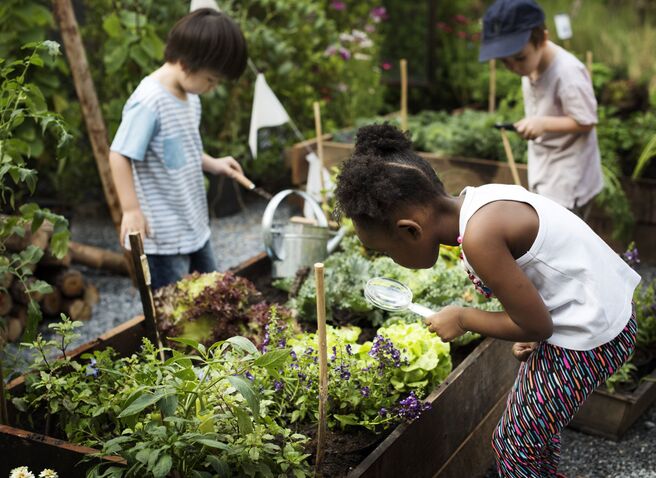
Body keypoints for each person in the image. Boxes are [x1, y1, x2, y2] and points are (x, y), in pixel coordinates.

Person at [334, 123, 640, 477]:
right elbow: (544, 278)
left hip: (593, 333)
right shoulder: (479, 202)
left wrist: (464, 319)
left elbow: (537, 324)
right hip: (599, 311)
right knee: (533, 430)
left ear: (409, 230)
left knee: (514, 445)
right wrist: (530, 330)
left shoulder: (479, 238)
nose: (390, 259)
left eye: (386, 252)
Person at [109, 8, 247, 289]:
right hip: (162, 235)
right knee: (173, 310)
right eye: (211, 80)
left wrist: (214, 163)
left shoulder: (189, 96)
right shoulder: (149, 102)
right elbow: (119, 154)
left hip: (192, 222)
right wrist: (131, 209)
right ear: (185, 64)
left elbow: (182, 151)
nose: (213, 87)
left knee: (210, 292)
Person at [479, 0, 603, 216]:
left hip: (569, 178)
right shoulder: (531, 64)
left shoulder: (568, 73)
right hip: (545, 168)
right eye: (505, 62)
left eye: (519, 58)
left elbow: (587, 120)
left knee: (560, 240)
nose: (514, 68)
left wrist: (543, 123)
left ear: (542, 39)